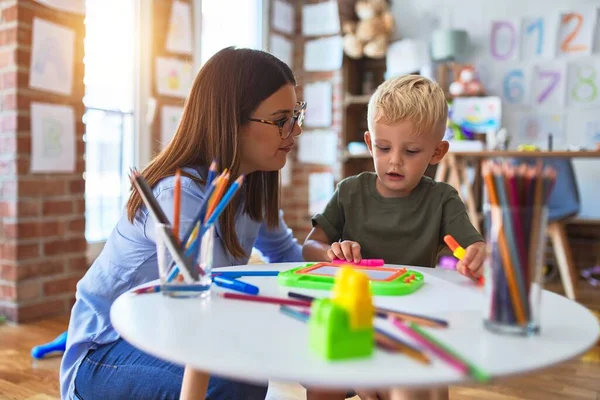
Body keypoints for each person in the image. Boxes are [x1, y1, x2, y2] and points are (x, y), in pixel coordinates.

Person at [60, 47, 306, 400]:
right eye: (281, 119)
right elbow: (204, 299)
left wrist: (330, 274)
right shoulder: (180, 192)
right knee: (235, 380)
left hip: (171, 334)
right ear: (231, 121)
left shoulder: (252, 184)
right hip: (106, 350)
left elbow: (286, 256)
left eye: (297, 114)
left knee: (248, 373)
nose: (295, 130)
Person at [302, 75, 486, 400]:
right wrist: (331, 252)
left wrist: (475, 255)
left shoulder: (443, 199)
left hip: (412, 320)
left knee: (412, 386)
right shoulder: (350, 191)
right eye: (384, 148)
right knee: (320, 383)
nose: (395, 160)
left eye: (412, 151)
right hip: (352, 317)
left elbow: (473, 247)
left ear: (437, 152)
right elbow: (309, 247)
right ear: (370, 143)